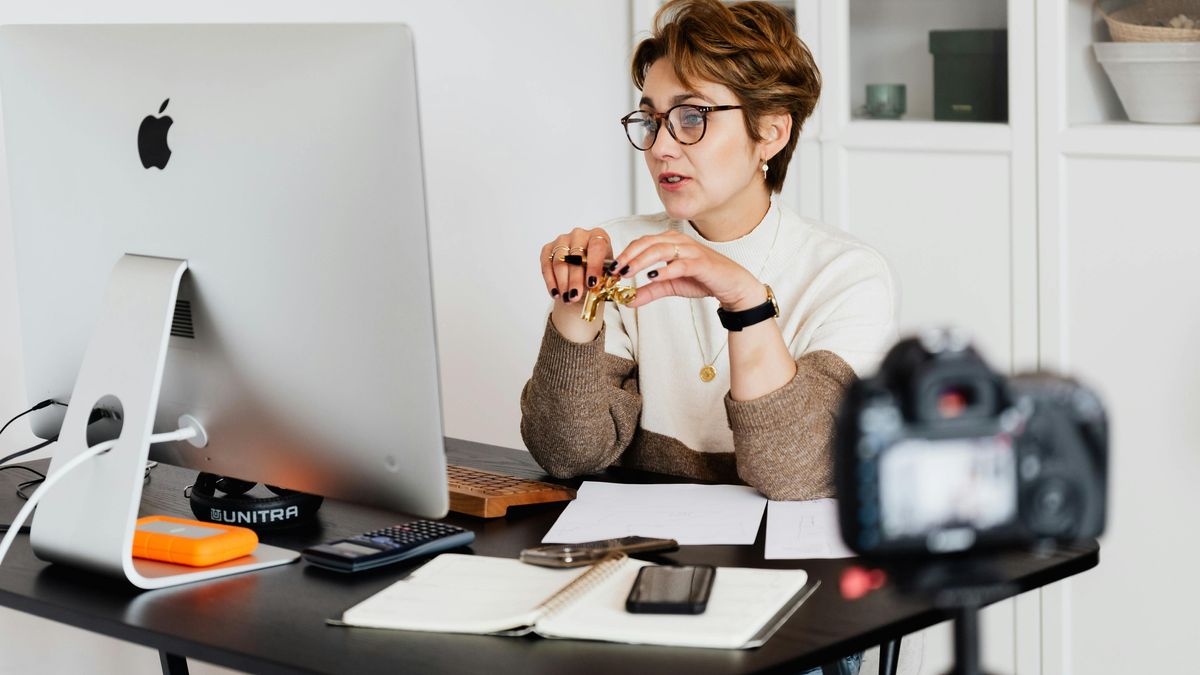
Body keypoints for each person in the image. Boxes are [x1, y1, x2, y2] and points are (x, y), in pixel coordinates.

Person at [521, 0, 897, 502]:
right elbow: (568, 454)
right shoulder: (619, 252)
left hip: (783, 563)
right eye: (652, 120)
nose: (660, 147)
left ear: (771, 132)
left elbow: (800, 474)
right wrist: (574, 308)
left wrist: (747, 303)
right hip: (643, 550)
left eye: (692, 116)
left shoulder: (846, 275)